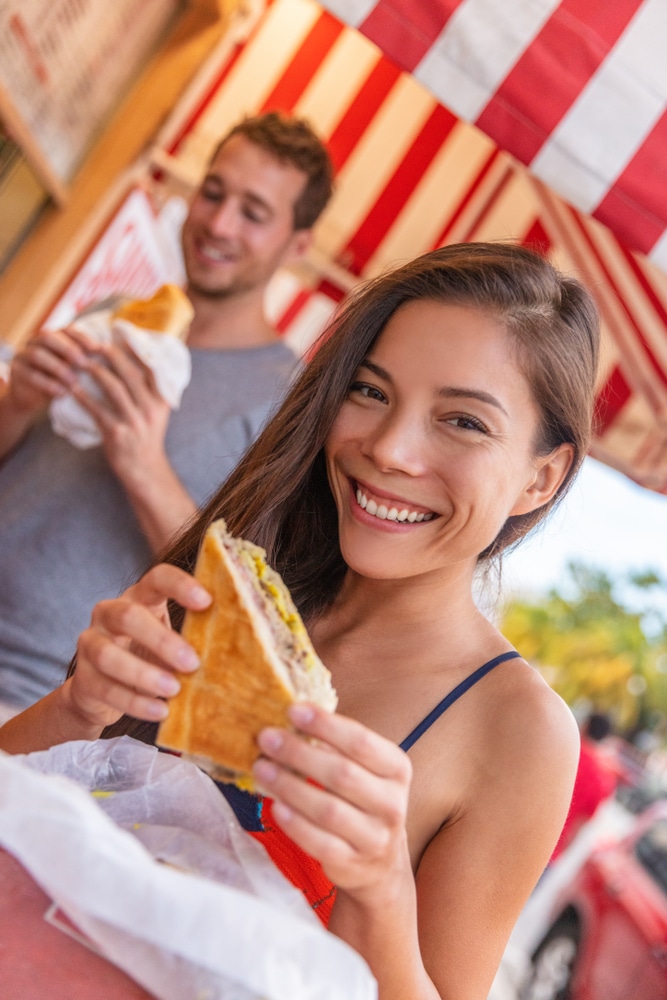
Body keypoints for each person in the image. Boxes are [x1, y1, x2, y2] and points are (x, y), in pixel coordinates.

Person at [0, 243, 600, 1000]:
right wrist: (76, 707)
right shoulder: (234, 592)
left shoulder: (518, 732)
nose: (387, 449)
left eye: (462, 422)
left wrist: (378, 891)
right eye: (369, 391)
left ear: (538, 478)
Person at [0, 112, 334, 714]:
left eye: (253, 212)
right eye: (213, 192)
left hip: (41, 699)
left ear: (297, 245)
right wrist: (18, 402)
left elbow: (235, 601)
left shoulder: (290, 404)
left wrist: (143, 463)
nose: (218, 222)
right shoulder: (116, 311)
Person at [550, 711, 620, 861]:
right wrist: (559, 855)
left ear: (586, 725)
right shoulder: (603, 778)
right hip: (549, 850)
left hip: (519, 831)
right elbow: (580, 824)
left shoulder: (562, 747)